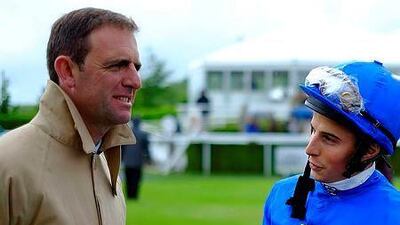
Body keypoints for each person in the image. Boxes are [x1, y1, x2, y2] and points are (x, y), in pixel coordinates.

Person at [0, 8, 141, 225]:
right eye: (117, 65)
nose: (135, 81)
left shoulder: (105, 165)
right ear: (67, 71)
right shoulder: (8, 164)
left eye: (135, 67)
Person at [262, 61, 400, 225]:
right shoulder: (281, 193)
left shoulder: (393, 215)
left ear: (369, 150)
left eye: (329, 139)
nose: (309, 149)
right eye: (312, 130)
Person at [122, 117, 150, 200]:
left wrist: (122, 158)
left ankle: (129, 195)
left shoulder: (127, 133)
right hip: (138, 160)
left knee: (128, 179)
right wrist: (148, 159)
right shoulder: (143, 134)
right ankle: (134, 195)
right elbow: (146, 149)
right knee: (136, 179)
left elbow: (122, 147)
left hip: (127, 160)